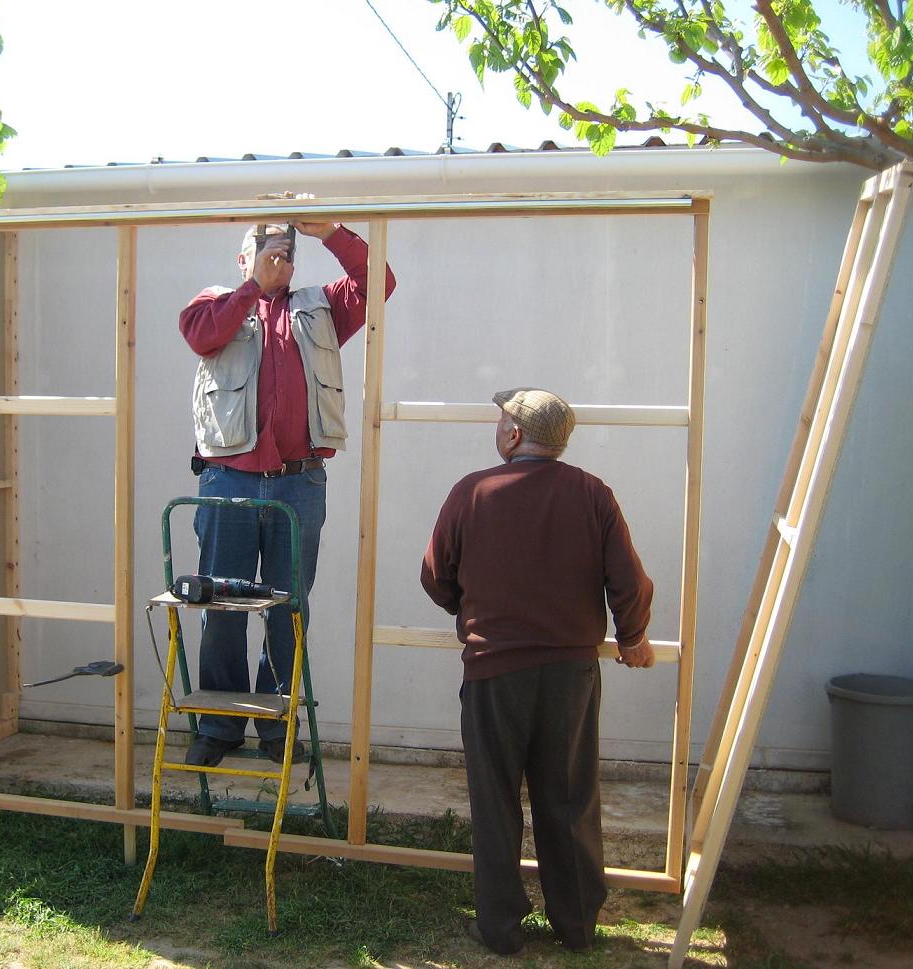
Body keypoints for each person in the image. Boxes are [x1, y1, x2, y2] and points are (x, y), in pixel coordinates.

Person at [420, 387, 656, 955]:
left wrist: (472, 609)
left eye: (502, 420)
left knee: (495, 800)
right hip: (570, 675)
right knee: (570, 797)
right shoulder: (593, 494)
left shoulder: (473, 492)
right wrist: (632, 638)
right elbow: (630, 582)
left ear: (516, 435)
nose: (497, 427)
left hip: (494, 671)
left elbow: (434, 576)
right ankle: (575, 925)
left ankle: (500, 929)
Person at [179, 218, 395, 767]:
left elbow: (380, 283)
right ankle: (218, 728)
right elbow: (202, 336)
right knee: (221, 606)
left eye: (286, 249)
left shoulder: (321, 305)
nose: (279, 256)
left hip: (299, 483)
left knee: (287, 609)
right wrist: (253, 286)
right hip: (228, 481)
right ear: (240, 257)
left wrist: (332, 233)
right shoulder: (216, 301)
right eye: (265, 246)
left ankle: (277, 731)